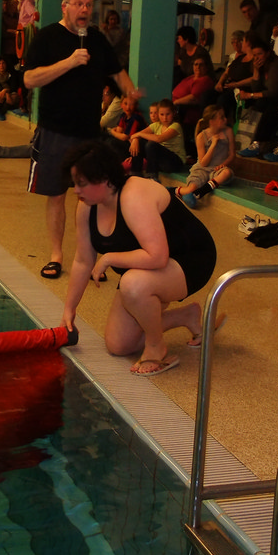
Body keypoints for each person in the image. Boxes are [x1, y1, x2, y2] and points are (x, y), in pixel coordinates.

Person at [60, 140, 218, 377]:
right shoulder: (87, 206)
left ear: (104, 179)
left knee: (133, 285)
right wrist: (69, 309)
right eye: (75, 183)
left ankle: (156, 347)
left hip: (191, 259)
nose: (76, 190)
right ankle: (186, 316)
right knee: (119, 345)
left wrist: (109, 258)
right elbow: (83, 260)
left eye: (81, 183)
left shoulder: (133, 196)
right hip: (147, 267)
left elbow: (157, 257)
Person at [23, 0, 141, 280]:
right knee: (56, 195)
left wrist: (129, 90)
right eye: (79, 4)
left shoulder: (97, 39)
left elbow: (116, 71)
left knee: (92, 197)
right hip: (55, 130)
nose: (85, 10)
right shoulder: (47, 37)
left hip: (89, 133)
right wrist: (69, 62)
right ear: (64, 7)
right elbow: (29, 79)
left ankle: (87, 258)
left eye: (89, 4)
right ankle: (56, 255)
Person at [176, 105, 235, 209]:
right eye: (221, 117)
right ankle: (175, 190)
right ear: (212, 121)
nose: (225, 119)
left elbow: (232, 155)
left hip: (217, 170)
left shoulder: (228, 131)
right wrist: (213, 144)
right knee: (191, 188)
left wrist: (222, 165)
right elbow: (203, 163)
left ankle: (201, 192)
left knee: (226, 173)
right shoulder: (201, 136)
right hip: (202, 168)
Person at [236, 41, 278, 155]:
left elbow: (273, 92)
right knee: (258, 104)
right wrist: (256, 70)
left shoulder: (277, 65)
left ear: (268, 53)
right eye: (254, 55)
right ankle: (248, 141)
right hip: (267, 99)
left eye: (259, 54)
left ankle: (258, 143)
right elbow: (256, 88)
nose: (257, 58)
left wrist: (250, 95)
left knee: (267, 107)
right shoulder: (261, 65)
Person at [128, 99, 184, 178]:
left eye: (168, 114)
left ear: (174, 113)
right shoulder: (156, 125)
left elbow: (159, 139)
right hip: (161, 162)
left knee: (151, 145)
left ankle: (151, 176)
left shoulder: (176, 126)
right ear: (158, 114)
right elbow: (133, 136)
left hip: (175, 163)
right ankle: (135, 174)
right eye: (162, 114)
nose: (165, 118)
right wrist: (135, 140)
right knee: (140, 143)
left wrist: (139, 134)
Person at [103, 94, 148, 160]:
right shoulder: (123, 115)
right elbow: (119, 131)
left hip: (136, 145)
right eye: (125, 104)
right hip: (128, 141)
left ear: (136, 105)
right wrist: (118, 133)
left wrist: (112, 131)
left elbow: (124, 137)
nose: (128, 107)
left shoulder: (136, 117)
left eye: (131, 104)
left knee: (112, 142)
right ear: (121, 105)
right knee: (103, 136)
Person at [0, 56, 22, 120]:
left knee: (11, 99)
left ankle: (1, 113)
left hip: (11, 92)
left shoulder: (12, 74)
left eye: (3, 63)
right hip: (0, 92)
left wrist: (6, 91)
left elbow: (13, 86)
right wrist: (4, 92)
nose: (1, 65)